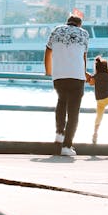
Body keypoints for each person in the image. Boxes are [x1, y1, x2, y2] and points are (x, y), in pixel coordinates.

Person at [44, 13, 89, 156]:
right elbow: (83, 57)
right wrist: (85, 73)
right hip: (77, 76)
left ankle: (59, 133)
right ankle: (67, 146)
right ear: (79, 24)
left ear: (67, 22)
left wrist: (48, 71)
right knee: (74, 112)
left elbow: (48, 51)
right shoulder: (84, 33)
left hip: (59, 76)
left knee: (61, 102)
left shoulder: (57, 30)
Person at [86, 56, 108, 144]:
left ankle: (95, 133)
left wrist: (90, 79)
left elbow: (91, 83)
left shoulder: (95, 77)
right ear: (106, 67)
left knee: (98, 117)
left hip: (100, 101)